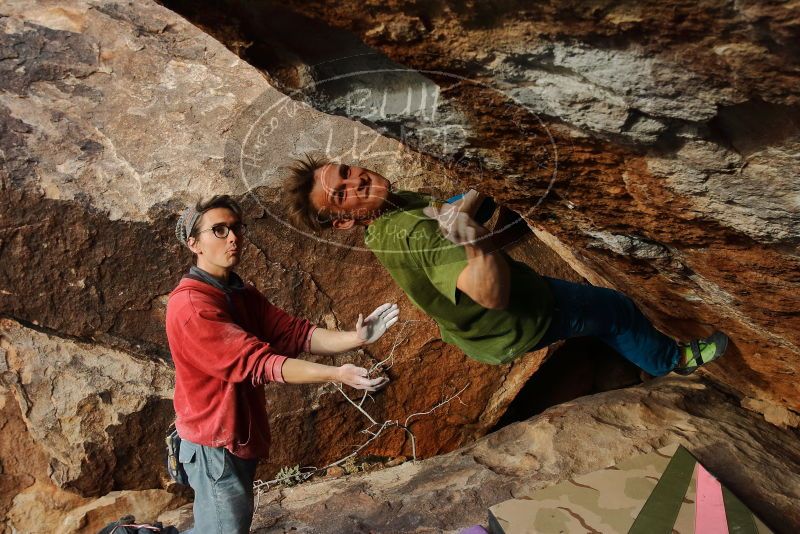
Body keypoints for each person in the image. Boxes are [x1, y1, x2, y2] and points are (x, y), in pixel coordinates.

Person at [283, 155, 727, 376]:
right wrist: (476, 244)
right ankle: (673, 360)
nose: (355, 180)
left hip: (488, 326)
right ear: (343, 221)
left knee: (603, 313)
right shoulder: (409, 233)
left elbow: (446, 213)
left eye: (344, 172)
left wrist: (481, 191)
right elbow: (490, 293)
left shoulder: (388, 213)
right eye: (342, 194)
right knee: (615, 312)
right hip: (517, 315)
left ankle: (642, 358)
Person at [166, 194, 397, 534]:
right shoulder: (192, 307)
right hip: (213, 443)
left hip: (238, 435)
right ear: (193, 244)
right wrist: (335, 373)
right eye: (218, 230)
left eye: (235, 228)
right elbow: (259, 363)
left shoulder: (238, 292)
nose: (233, 238)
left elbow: (294, 333)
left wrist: (355, 338)